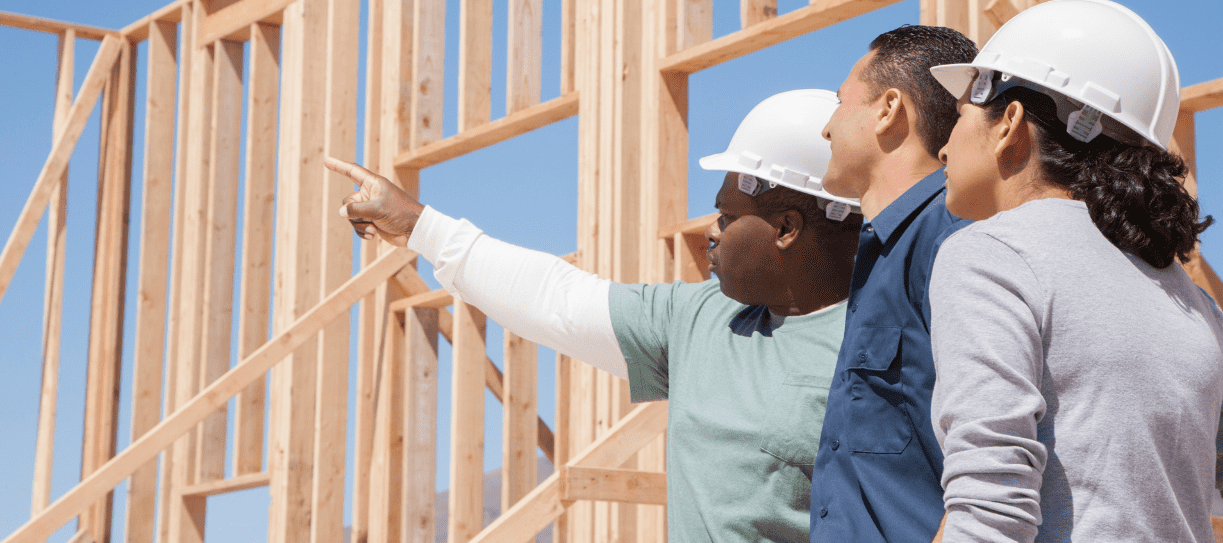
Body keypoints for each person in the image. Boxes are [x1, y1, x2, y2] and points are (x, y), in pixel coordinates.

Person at [326, 89, 862, 542]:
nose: (710, 231)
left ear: (787, 227)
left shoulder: (881, 345)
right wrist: (421, 225)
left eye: (727, 215)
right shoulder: (700, 318)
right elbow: (555, 300)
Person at [926, 0, 1223, 542]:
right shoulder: (1195, 304)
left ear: (1009, 122)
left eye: (960, 114)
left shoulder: (993, 255)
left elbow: (990, 510)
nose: (943, 148)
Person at [811, 25, 979, 543]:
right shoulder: (884, 248)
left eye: (841, 103)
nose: (826, 129)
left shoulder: (952, 239)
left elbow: (991, 451)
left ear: (888, 110)